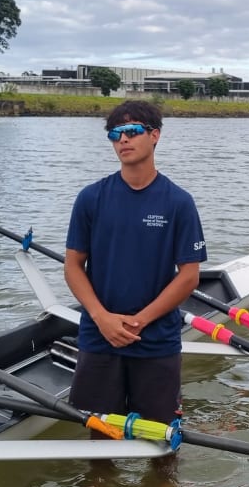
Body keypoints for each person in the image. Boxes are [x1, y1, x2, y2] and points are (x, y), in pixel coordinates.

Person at [65, 99, 207, 434]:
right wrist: (102, 318)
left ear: (155, 135)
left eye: (132, 131)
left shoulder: (178, 202)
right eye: (115, 134)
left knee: (162, 441)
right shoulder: (91, 198)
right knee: (101, 437)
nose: (123, 140)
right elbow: (73, 266)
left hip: (156, 341)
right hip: (99, 338)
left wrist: (138, 321)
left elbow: (189, 277)